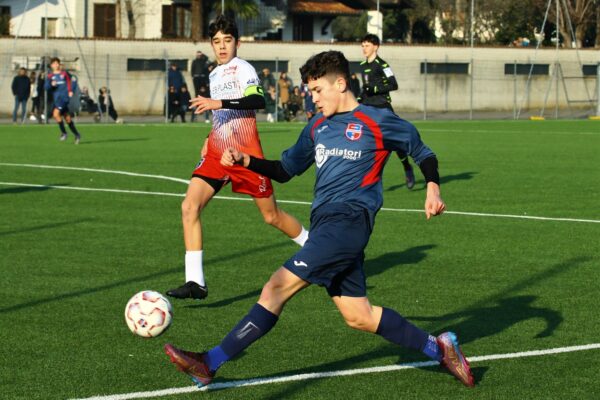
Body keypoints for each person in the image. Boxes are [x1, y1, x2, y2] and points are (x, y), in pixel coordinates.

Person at [164, 50, 475, 389]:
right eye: (309, 91)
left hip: (350, 222)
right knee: (360, 316)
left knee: (275, 288)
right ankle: (440, 348)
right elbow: (284, 170)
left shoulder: (376, 120)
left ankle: (210, 362)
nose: (312, 98)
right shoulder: (316, 126)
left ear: (340, 83)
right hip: (327, 225)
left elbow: (422, 152)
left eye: (316, 91)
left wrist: (433, 187)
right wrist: (245, 160)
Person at [165, 15, 308, 300]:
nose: (221, 47)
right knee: (189, 207)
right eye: (216, 41)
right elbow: (222, 116)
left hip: (245, 156)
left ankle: (316, 247)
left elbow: (258, 101)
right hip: (218, 154)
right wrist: (209, 138)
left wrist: (217, 102)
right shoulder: (214, 73)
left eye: (227, 41)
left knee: (272, 216)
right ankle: (196, 281)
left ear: (237, 43)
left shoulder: (243, 69)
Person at [359, 34, 415, 190]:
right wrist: (358, 99)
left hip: (383, 107)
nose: (364, 48)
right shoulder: (362, 65)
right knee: (364, 142)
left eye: (367, 45)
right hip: (367, 107)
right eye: (362, 45)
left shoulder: (383, 65)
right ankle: (368, 179)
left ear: (376, 47)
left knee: (395, 142)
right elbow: (365, 89)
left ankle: (407, 167)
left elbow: (393, 84)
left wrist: (375, 89)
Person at [44, 57, 81, 144]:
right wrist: (51, 85)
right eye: (54, 64)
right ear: (51, 65)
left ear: (59, 64)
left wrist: (71, 90)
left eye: (57, 63)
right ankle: (77, 134)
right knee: (67, 119)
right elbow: (46, 87)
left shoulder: (64, 74)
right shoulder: (50, 76)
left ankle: (64, 133)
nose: (55, 65)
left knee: (55, 114)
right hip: (57, 99)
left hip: (64, 98)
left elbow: (73, 80)